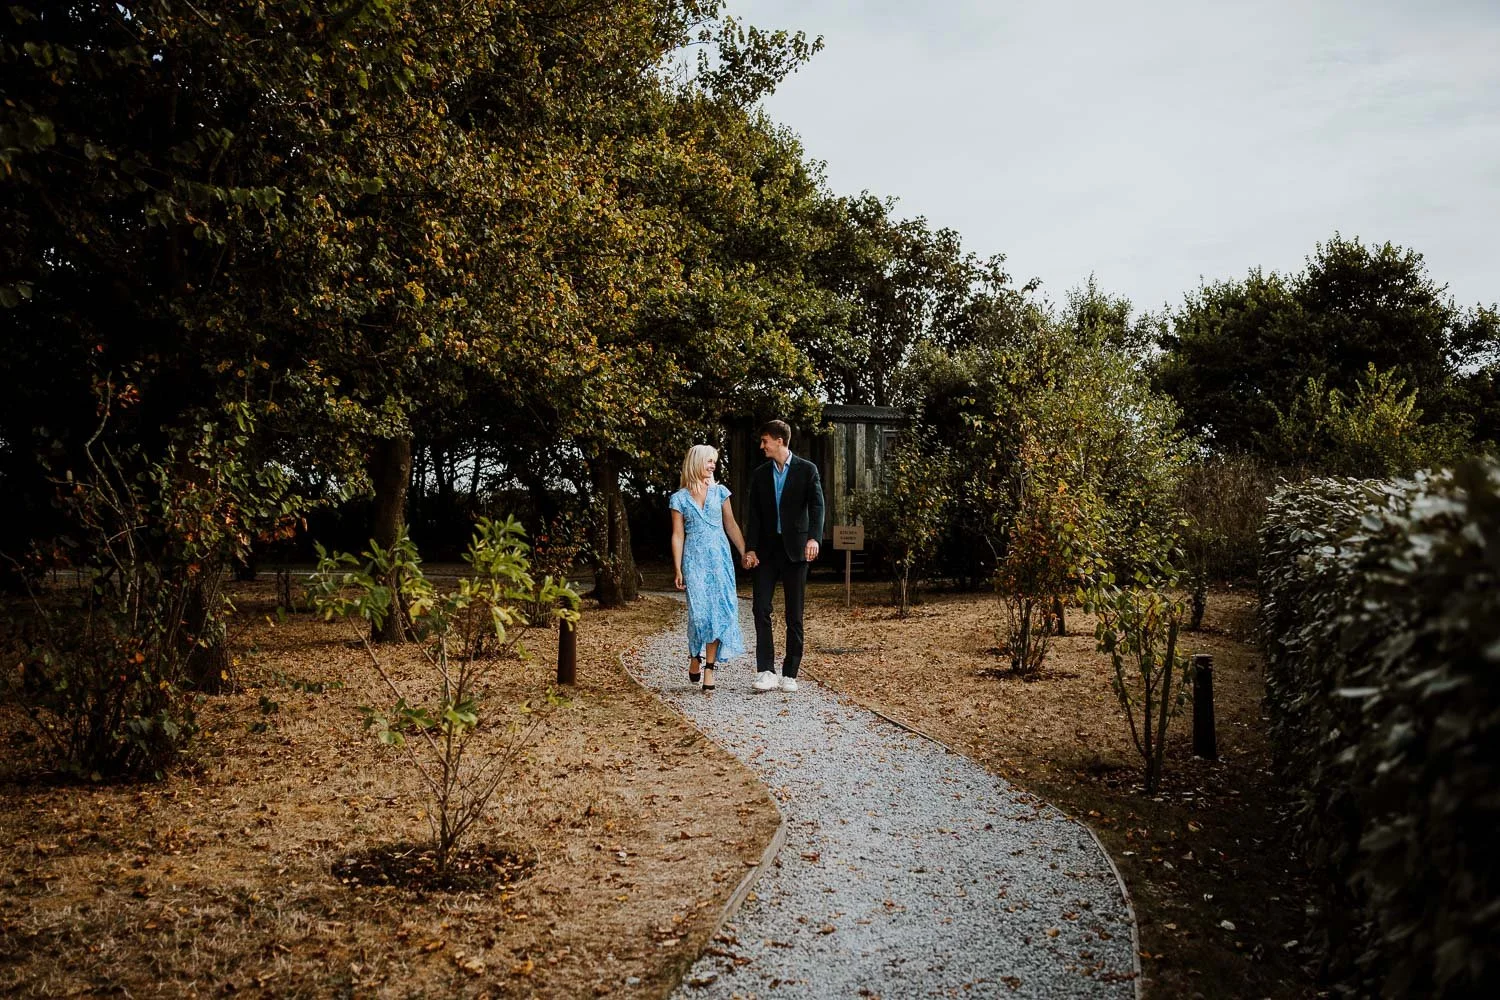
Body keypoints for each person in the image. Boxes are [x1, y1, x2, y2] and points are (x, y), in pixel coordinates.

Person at [742, 419, 824, 693]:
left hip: (796, 551)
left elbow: (817, 505)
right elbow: (753, 515)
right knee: (760, 608)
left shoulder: (807, 470)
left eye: (765, 440)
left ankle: (790, 673)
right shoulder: (760, 474)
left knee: (794, 614)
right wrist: (750, 548)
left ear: (779, 441)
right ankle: (766, 670)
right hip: (766, 552)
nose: (762, 445)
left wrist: (814, 537)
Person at [669, 444, 749, 691]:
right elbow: (678, 535)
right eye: (709, 461)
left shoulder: (720, 492)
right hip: (694, 560)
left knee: (718, 613)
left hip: (720, 559)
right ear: (696, 463)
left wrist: (745, 551)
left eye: (714, 461)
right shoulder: (679, 498)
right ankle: (695, 655)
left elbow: (731, 525)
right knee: (699, 614)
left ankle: (710, 669)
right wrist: (678, 569)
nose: (713, 465)